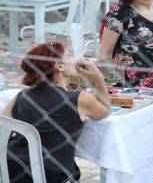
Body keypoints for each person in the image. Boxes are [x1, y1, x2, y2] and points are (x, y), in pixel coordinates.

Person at [3, 42, 110, 183]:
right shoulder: (80, 98)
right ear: (59, 66)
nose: (75, 59)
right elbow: (105, 110)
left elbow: (3, 127)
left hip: (11, 168)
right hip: (53, 174)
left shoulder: (22, 96)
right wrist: (98, 77)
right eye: (69, 55)